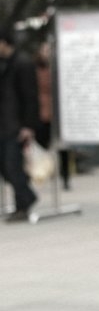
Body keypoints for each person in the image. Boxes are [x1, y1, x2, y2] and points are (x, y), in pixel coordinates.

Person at [0, 25, 39, 222]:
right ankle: (23, 200)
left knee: (12, 165)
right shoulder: (5, 63)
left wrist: (28, 126)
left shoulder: (23, 63)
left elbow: (30, 97)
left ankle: (24, 202)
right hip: (4, 124)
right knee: (7, 167)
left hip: (16, 125)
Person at [35, 40, 72, 190]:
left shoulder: (60, 68)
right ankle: (43, 173)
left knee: (63, 148)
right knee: (42, 145)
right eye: (45, 50)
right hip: (44, 111)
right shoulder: (37, 70)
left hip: (60, 112)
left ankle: (65, 177)